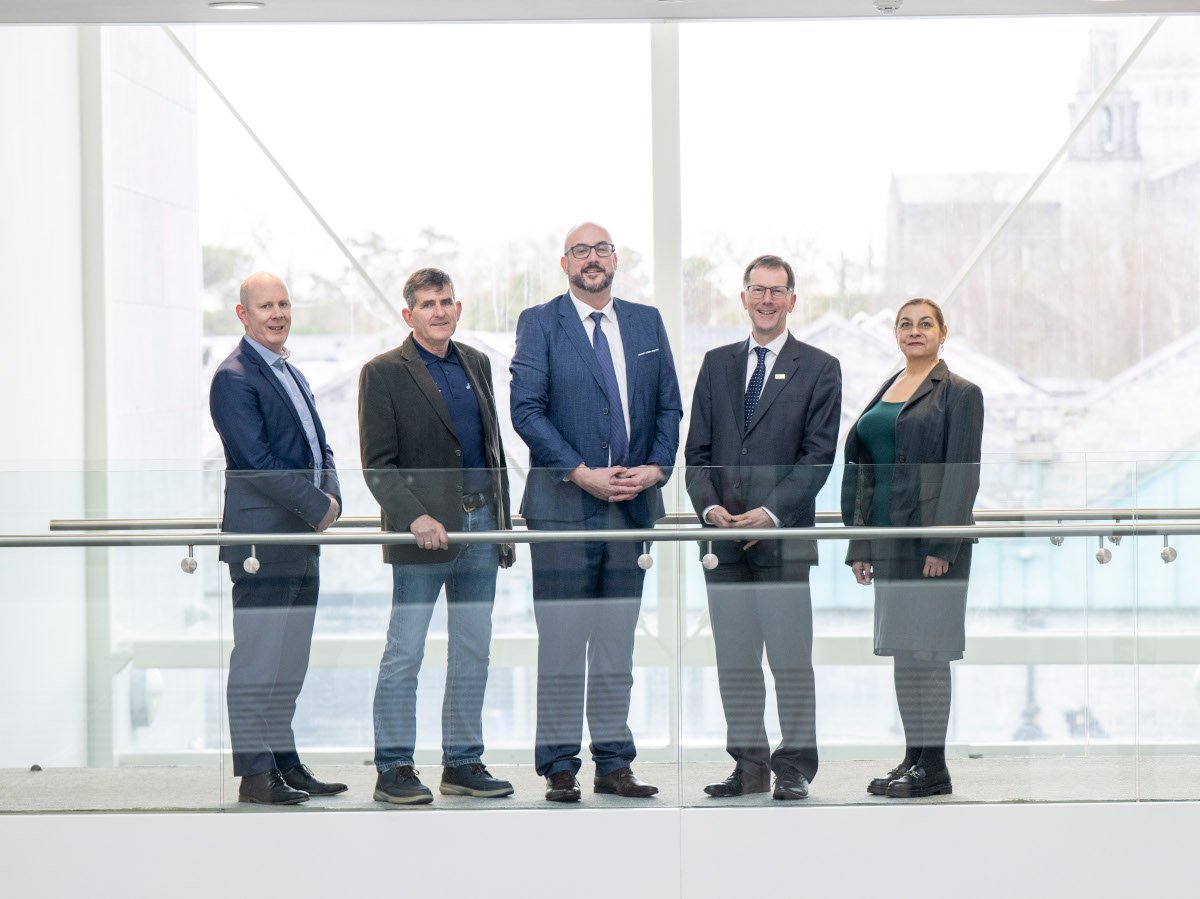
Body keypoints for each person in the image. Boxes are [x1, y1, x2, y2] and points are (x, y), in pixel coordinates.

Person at [510, 222, 682, 802]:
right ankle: (560, 765)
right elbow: (527, 411)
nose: (592, 259)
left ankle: (614, 763)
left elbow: (668, 406)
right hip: (564, 506)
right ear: (564, 264)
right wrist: (581, 472)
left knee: (616, 643)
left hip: (631, 508)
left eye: (601, 249)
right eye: (580, 251)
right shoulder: (540, 323)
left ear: (616, 259)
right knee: (561, 643)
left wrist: (657, 468)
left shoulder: (645, 322)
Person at [684, 254, 842, 801]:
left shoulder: (820, 367)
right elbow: (696, 455)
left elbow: (818, 458)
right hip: (722, 545)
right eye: (758, 290)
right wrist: (712, 513)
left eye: (778, 291)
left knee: (790, 660)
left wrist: (770, 515)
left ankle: (794, 765)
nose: (767, 300)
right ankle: (748, 765)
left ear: (792, 300)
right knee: (735, 660)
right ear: (744, 297)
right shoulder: (717, 363)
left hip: (784, 541)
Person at [359, 267, 515, 805]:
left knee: (473, 649)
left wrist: (502, 523)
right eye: (427, 304)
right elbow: (378, 466)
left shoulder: (477, 363)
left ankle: (463, 762)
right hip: (424, 533)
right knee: (405, 652)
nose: (440, 311)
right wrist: (414, 518)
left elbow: (491, 450)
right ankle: (394, 767)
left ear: (459, 306)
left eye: (447, 301)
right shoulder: (381, 373)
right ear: (409, 315)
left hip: (480, 527)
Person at [209, 272, 346, 805]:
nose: (277, 314)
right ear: (242, 315)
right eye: (265, 306)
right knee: (258, 660)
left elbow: (320, 446)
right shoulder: (234, 377)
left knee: (290, 660)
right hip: (263, 546)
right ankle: (256, 777)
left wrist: (332, 497)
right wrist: (318, 508)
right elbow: (256, 464)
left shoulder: (290, 369)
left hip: (300, 541)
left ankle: (284, 761)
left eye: (283, 303)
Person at [842, 297, 984, 799]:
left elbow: (962, 475)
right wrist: (860, 542)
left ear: (944, 332)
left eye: (925, 324)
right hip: (890, 540)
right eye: (905, 324)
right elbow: (863, 471)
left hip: (931, 544)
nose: (914, 331)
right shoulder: (888, 387)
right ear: (895, 334)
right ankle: (913, 758)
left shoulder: (961, 393)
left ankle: (935, 766)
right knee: (905, 653)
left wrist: (942, 544)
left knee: (930, 654)